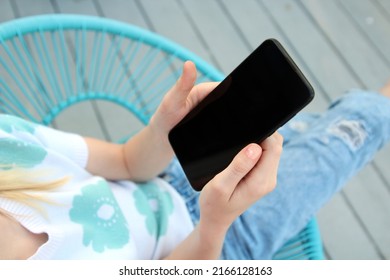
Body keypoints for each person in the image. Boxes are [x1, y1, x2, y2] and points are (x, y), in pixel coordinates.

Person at [1, 61, 390, 260]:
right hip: (218, 242)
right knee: (345, 139)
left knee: (295, 128)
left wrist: (162, 130)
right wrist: (216, 222)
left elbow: (124, 161)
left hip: (179, 174)